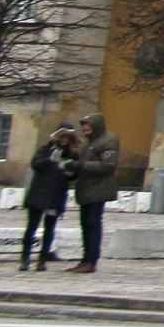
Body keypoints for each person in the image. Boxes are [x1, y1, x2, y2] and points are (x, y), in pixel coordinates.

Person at [20, 126, 78, 271]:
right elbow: (35, 164)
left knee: (49, 229)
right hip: (38, 193)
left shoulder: (72, 153)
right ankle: (25, 259)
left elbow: (75, 174)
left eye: (67, 138)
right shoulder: (45, 149)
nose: (64, 140)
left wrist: (71, 169)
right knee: (32, 227)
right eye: (62, 137)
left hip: (56, 195)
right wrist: (50, 160)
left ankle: (42, 259)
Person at [67, 112, 119, 274]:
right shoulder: (89, 143)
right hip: (86, 190)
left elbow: (108, 165)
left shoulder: (109, 140)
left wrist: (82, 165)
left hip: (98, 189)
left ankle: (91, 260)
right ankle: (85, 259)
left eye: (88, 127)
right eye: (84, 127)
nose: (85, 129)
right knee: (85, 225)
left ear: (96, 126)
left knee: (93, 223)